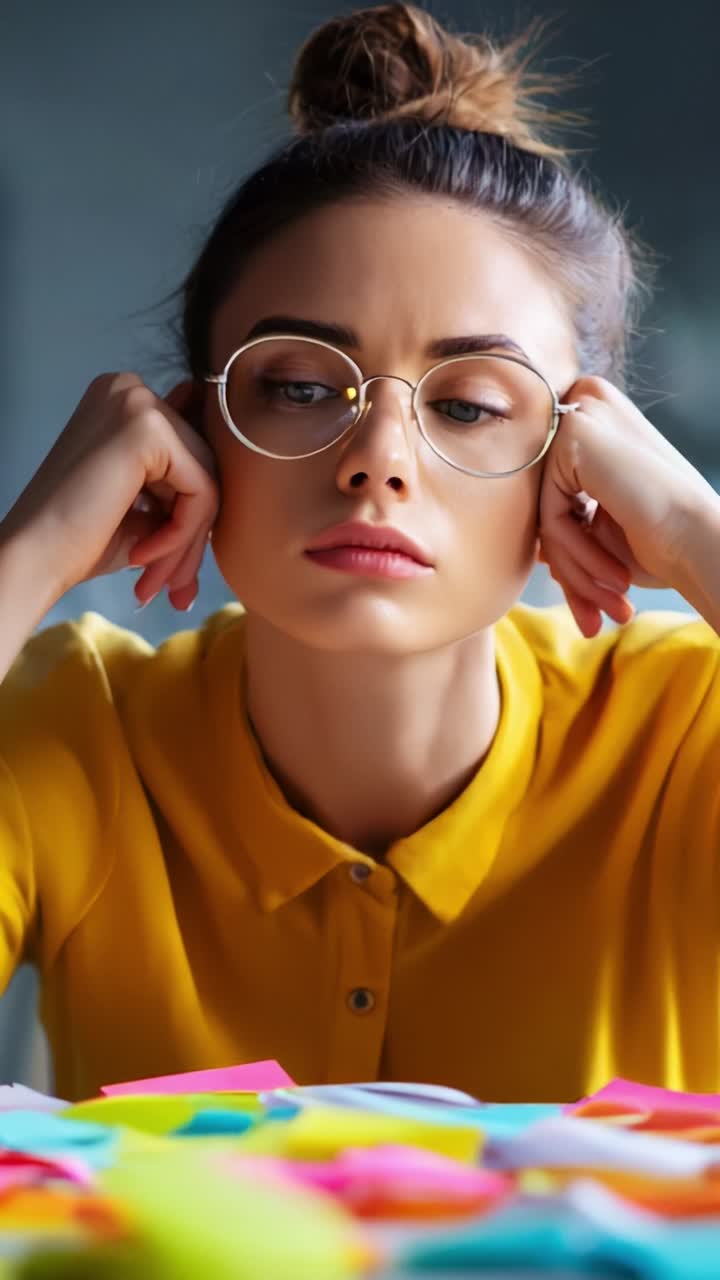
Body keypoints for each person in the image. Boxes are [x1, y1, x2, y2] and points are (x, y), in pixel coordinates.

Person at [0, 3, 718, 1106]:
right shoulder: (82, 726)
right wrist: (32, 551)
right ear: (192, 431)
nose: (376, 459)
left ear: (575, 459)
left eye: (473, 404)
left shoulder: (680, 734)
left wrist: (696, 528)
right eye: (298, 387)